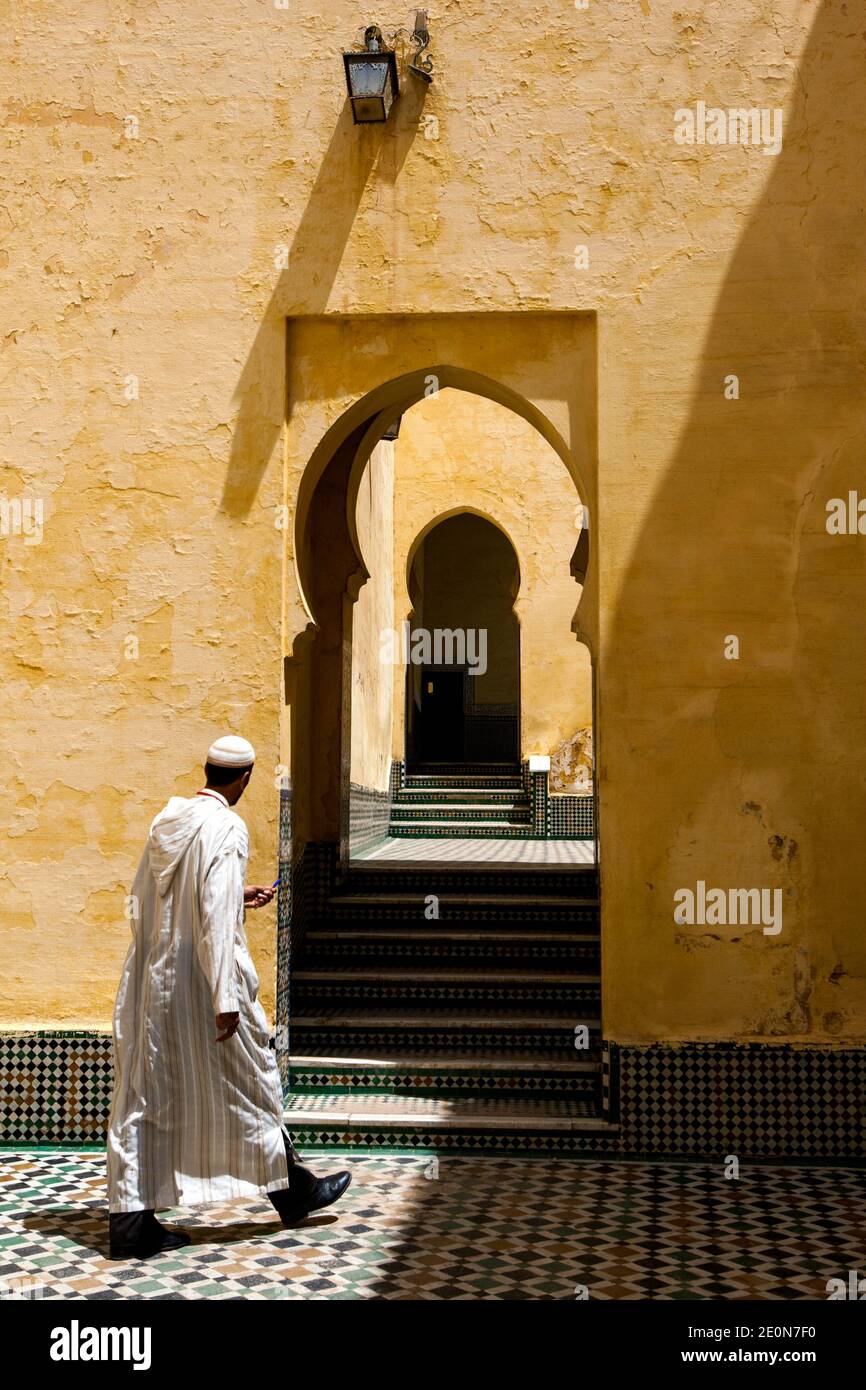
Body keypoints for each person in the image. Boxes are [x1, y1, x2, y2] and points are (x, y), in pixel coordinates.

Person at [106, 734, 350, 1260]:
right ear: (244, 778)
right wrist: (225, 997)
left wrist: (239, 893)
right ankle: (295, 1193)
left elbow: (161, 898)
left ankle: (130, 1224)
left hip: (156, 984)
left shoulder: (168, 822)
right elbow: (214, 914)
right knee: (256, 1084)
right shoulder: (227, 826)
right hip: (205, 986)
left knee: (145, 1097)